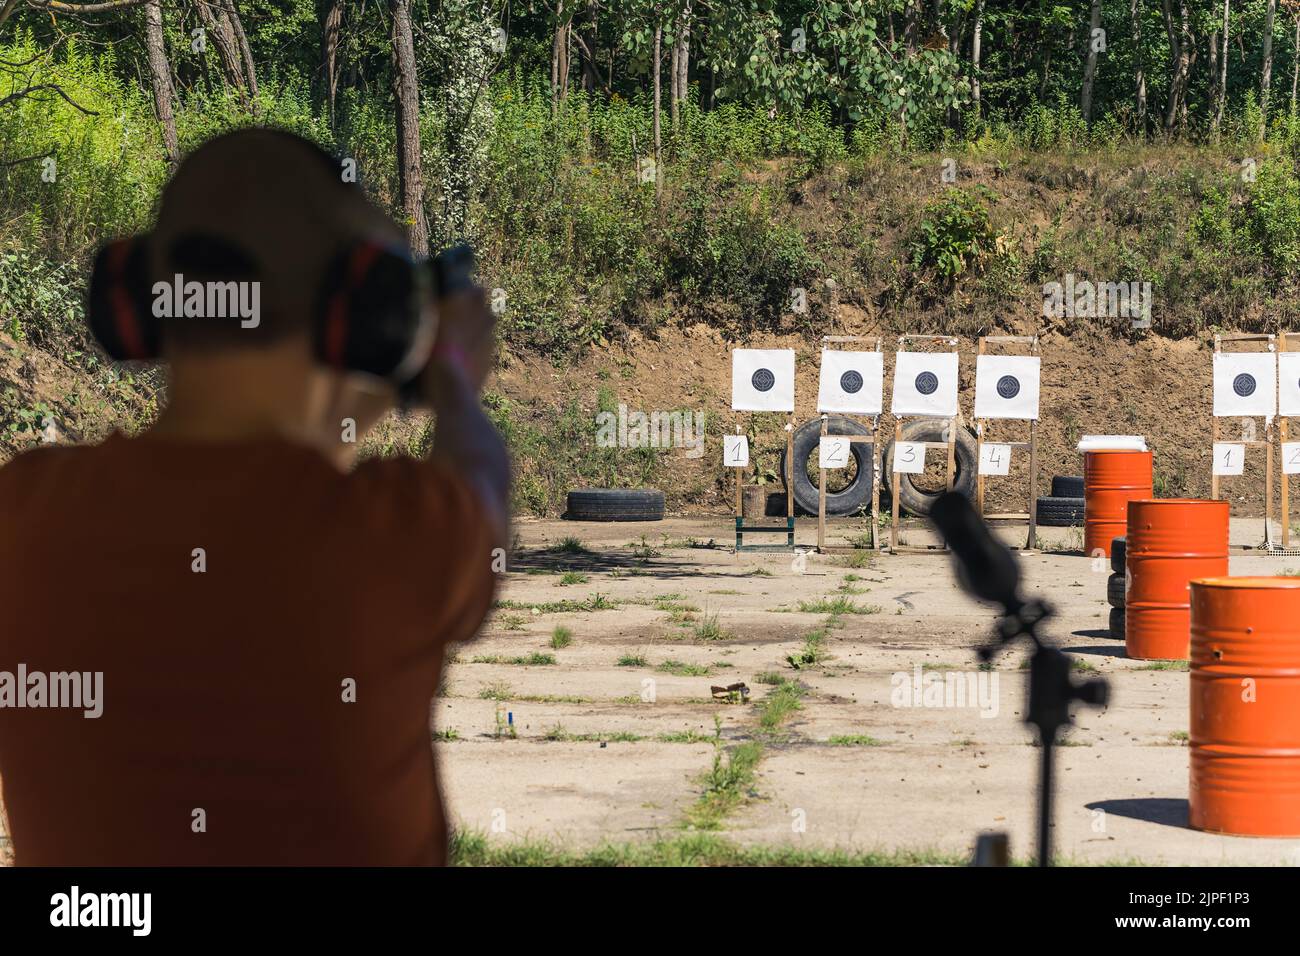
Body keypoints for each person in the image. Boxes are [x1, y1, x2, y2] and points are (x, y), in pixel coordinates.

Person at [0, 128, 509, 865]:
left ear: (138, 297)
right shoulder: (392, 536)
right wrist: (452, 375)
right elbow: (481, 480)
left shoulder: (24, 518)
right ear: (364, 313)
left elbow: (267, 485)